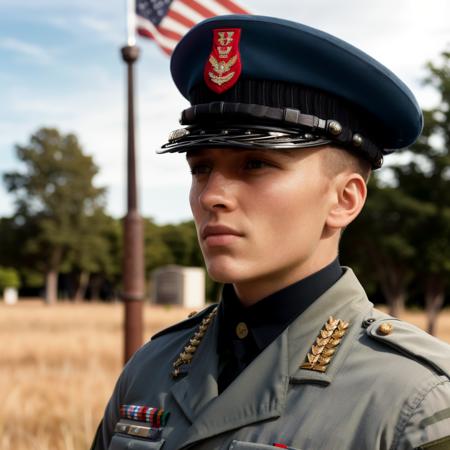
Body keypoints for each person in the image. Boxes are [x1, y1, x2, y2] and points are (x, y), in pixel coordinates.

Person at [91, 15, 450, 450]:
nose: (211, 196)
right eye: (201, 168)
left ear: (344, 200)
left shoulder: (415, 398)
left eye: (256, 164)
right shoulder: (150, 368)